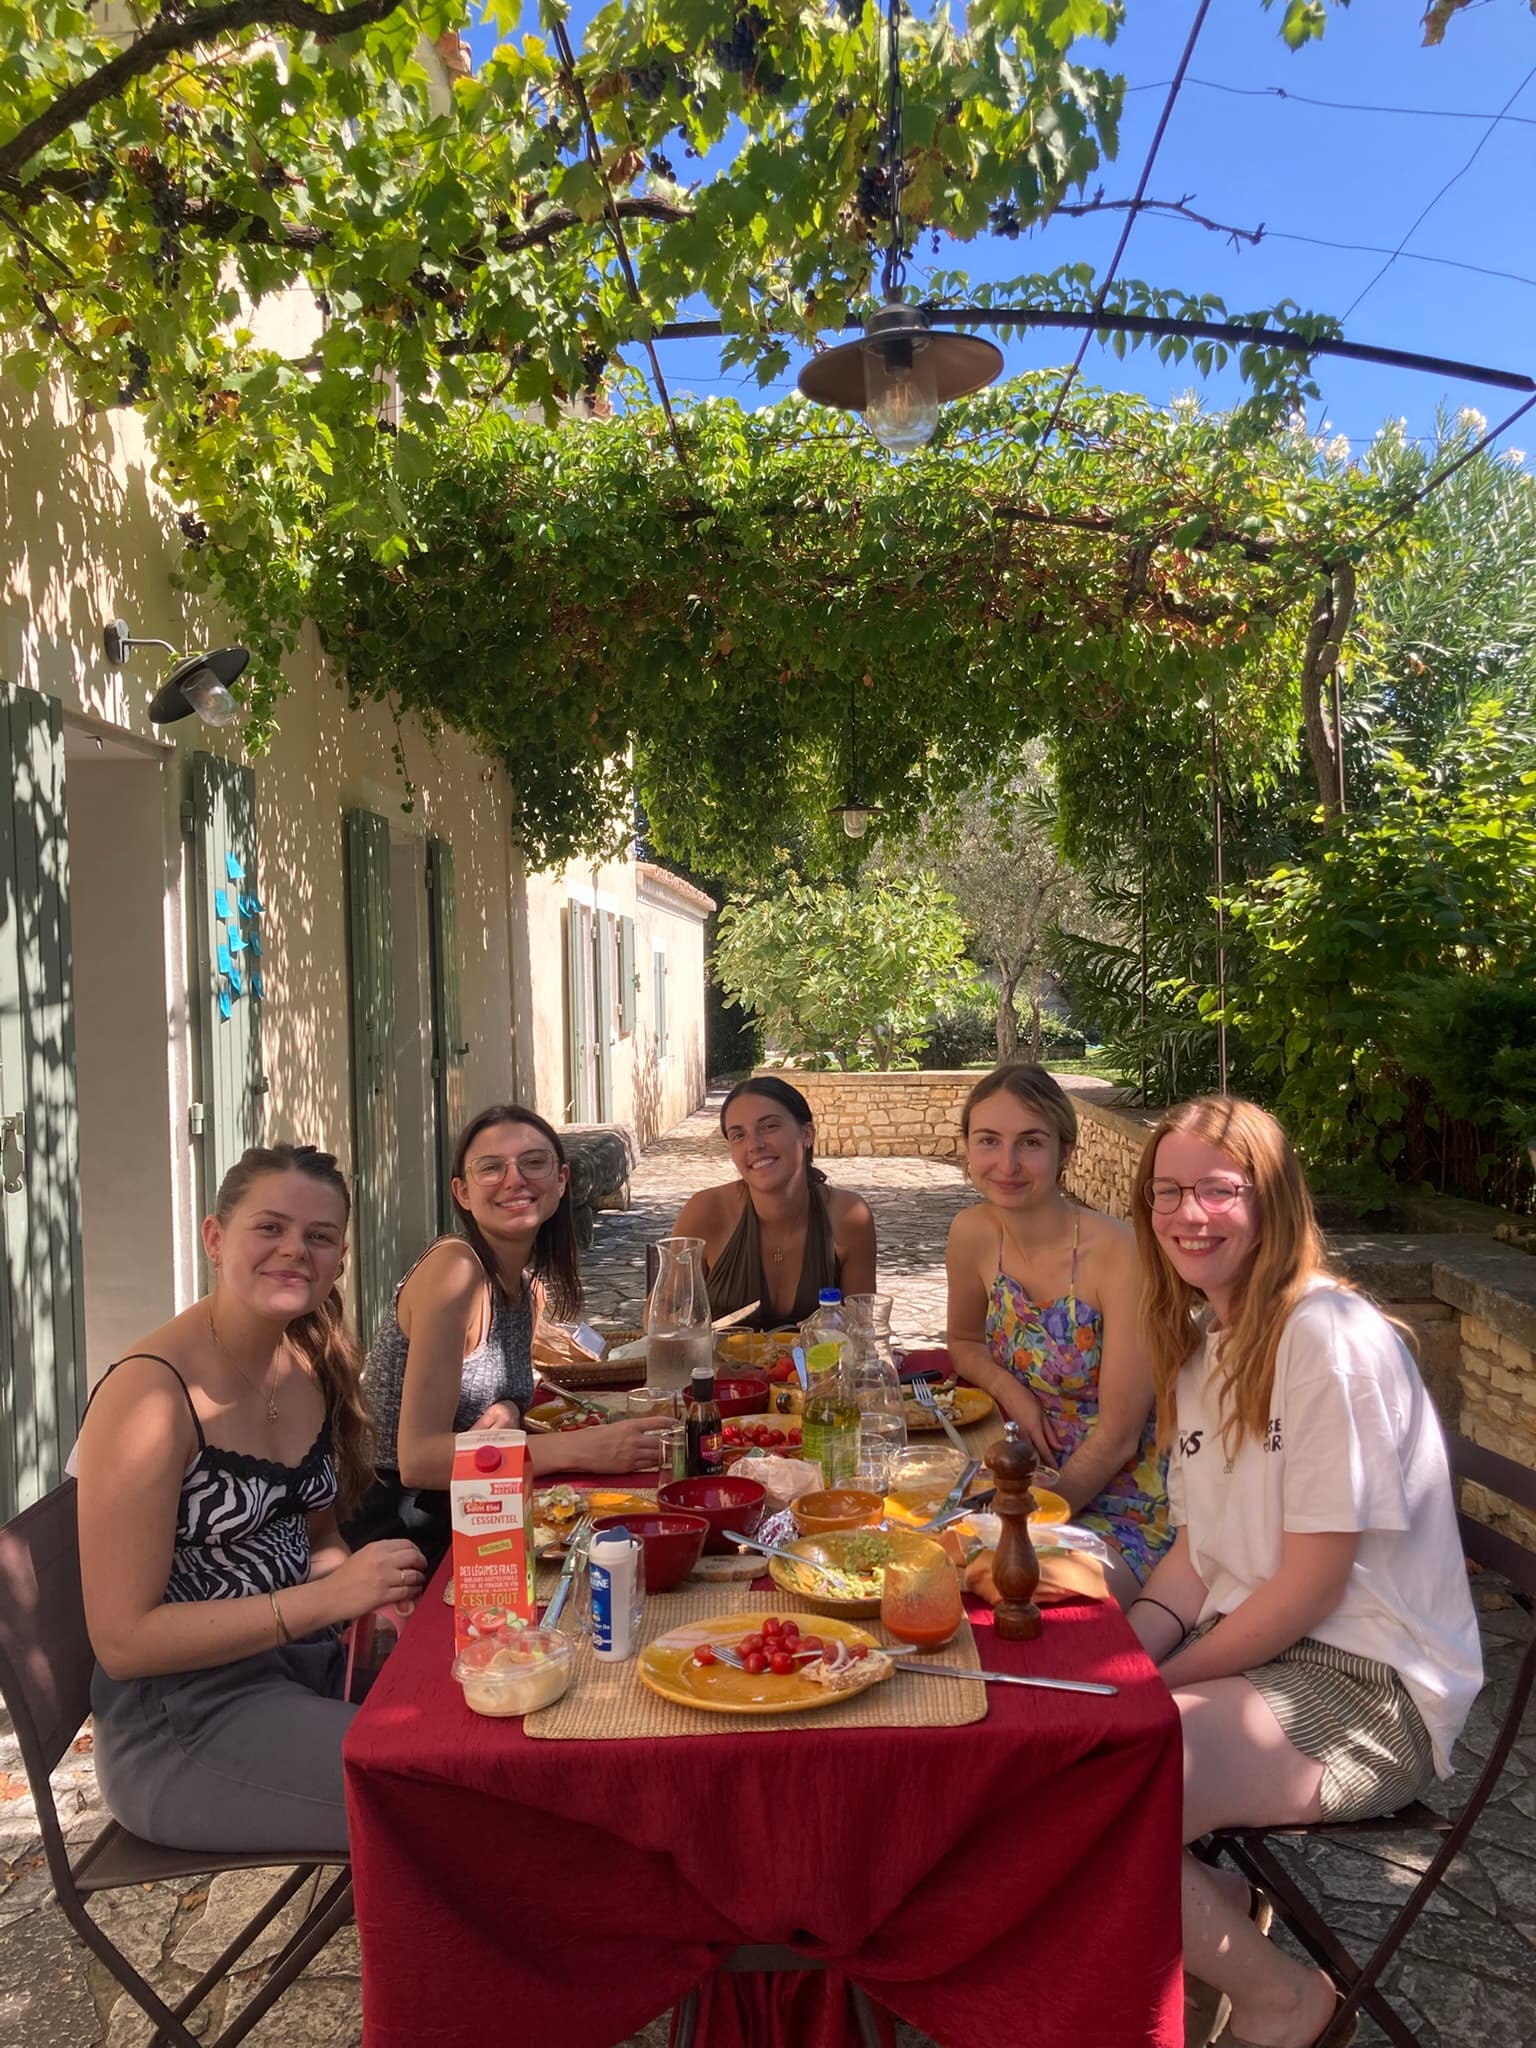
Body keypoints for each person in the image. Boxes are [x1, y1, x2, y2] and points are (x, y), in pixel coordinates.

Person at [1127, 1096, 1482, 2048]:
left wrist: (1155, 1685)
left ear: (1272, 1201)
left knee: (1104, 1782)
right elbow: (1197, 1558)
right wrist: (1120, 1657)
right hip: (1263, 1655)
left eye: (1217, 1190)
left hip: (1369, 1689)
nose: (1188, 1215)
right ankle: (1212, 1908)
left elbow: (1310, 1587)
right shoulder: (1204, 1342)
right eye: (1168, 1192)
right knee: (1068, 1744)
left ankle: (1287, 2000)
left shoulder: (1327, 1337)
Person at [75, 1143, 427, 1858]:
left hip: (305, 1667)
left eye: (318, 1236)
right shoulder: (149, 1395)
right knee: (444, 1786)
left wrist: (374, 1604)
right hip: (182, 1724)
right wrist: (326, 1601)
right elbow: (123, 1642)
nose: (294, 1249)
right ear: (215, 1238)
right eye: (269, 1227)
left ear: (340, 1258)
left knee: (494, 1724)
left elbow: (319, 1541)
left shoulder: (306, 1361)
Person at [350, 1104, 669, 1561]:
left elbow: (488, 1405)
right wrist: (579, 1448)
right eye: (491, 1168)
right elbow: (418, 1461)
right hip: (404, 1528)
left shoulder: (527, 1289)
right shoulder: (455, 1270)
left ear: (561, 1180)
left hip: (480, 1503)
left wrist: (507, 1408)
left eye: (533, 1162)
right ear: (462, 1192)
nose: (514, 1179)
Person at [945, 1064, 1169, 1602]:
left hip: (1123, 1501)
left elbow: (1117, 1437)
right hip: (1021, 1478)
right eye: (989, 1140)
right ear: (968, 1147)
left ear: (1065, 1151)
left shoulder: (1122, 1255)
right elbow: (964, 1343)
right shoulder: (972, 1233)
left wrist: (1024, 1523)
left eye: (1031, 1142)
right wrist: (1012, 1391)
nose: (1007, 1164)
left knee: (1006, 1584)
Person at [670, 1077, 877, 1330]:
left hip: (816, 1358)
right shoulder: (706, 1211)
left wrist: (837, 1329)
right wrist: (689, 1332)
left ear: (806, 1134)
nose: (754, 1145)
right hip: (717, 1358)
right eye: (738, 1135)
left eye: (769, 1126)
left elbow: (861, 1328)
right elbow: (659, 1312)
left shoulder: (849, 1216)